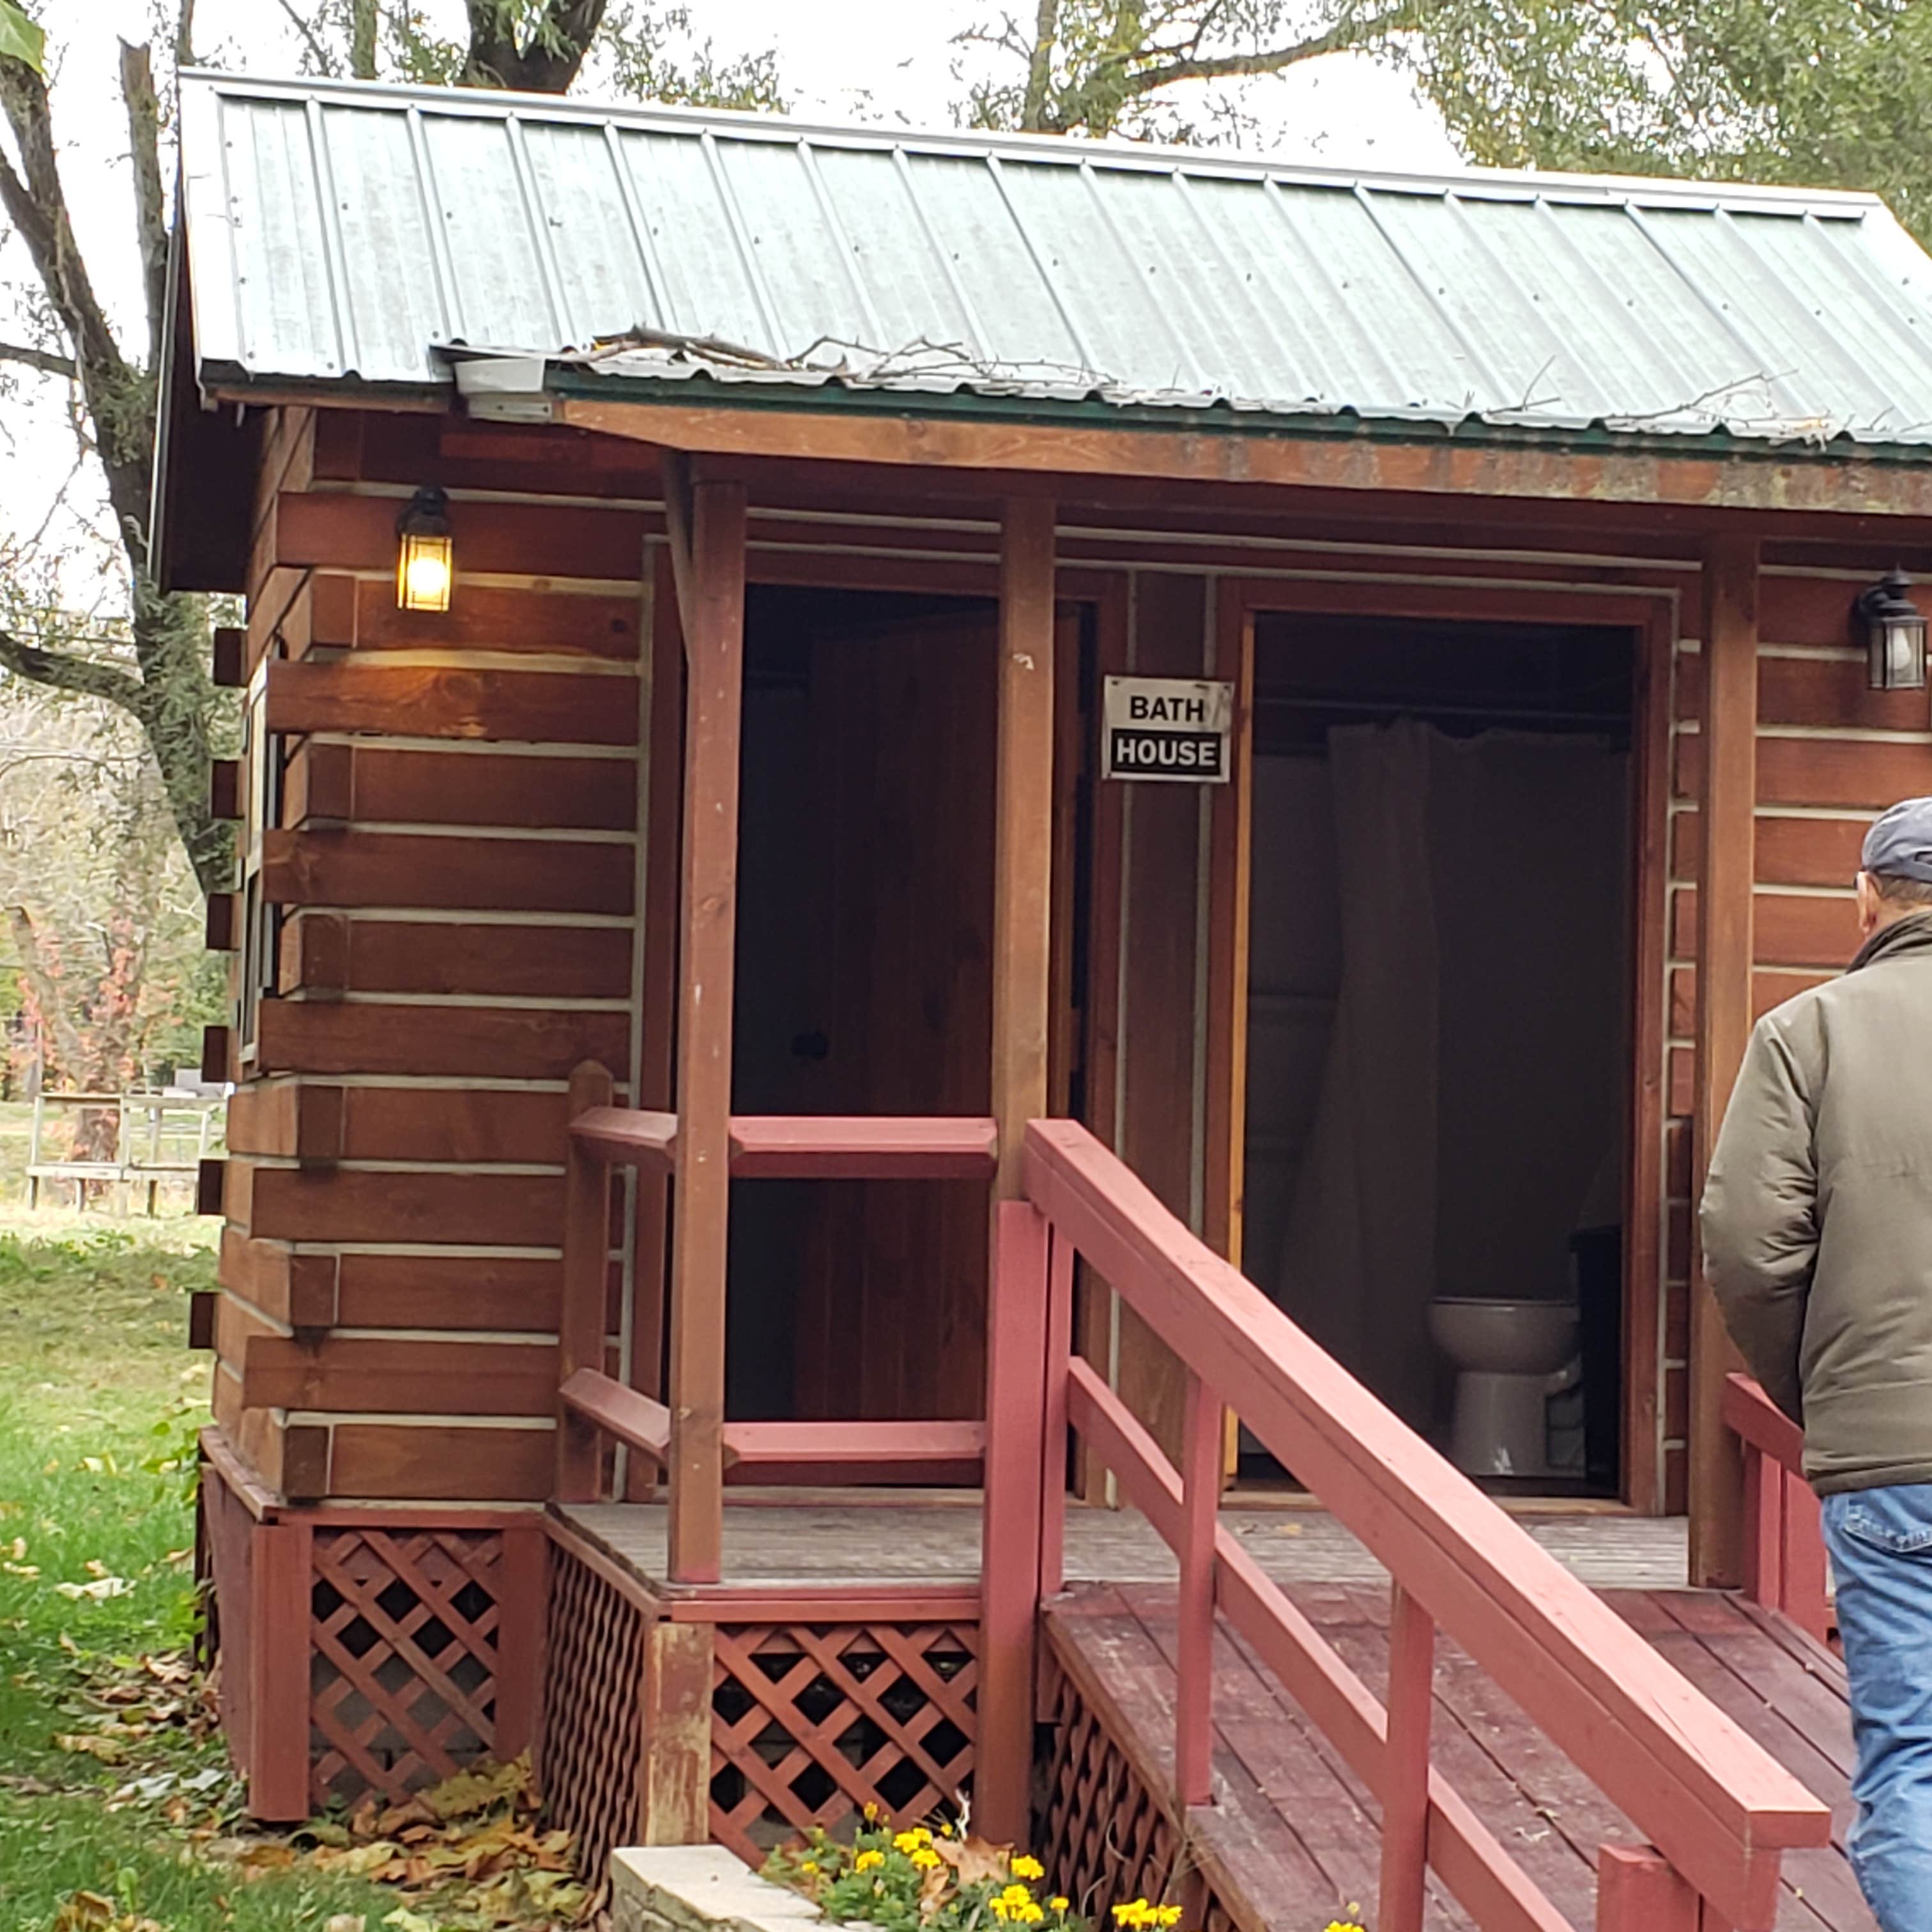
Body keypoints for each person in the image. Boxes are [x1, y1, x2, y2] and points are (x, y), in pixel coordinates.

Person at [1703, 795, 1932, 1932]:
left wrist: (1818, 1388)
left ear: (1868, 897)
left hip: (1886, 1453)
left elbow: (1748, 1244)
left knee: (1912, 1758)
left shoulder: (1811, 1031)